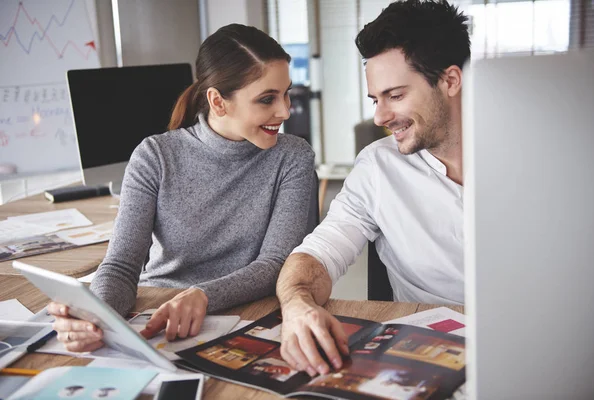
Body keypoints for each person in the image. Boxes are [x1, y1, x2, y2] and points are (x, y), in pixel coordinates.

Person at [48, 24, 315, 353]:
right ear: (218, 102)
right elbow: (121, 266)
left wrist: (203, 295)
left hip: (247, 317)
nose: (285, 111)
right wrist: (96, 316)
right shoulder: (154, 156)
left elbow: (273, 263)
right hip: (155, 316)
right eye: (267, 99)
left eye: (286, 92)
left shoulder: (293, 157)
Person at [276, 0, 470, 377]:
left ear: (449, 81)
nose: (380, 117)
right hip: (426, 360)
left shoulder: (537, 156)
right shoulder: (377, 167)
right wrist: (298, 304)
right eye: (375, 99)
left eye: (395, 96)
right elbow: (316, 255)